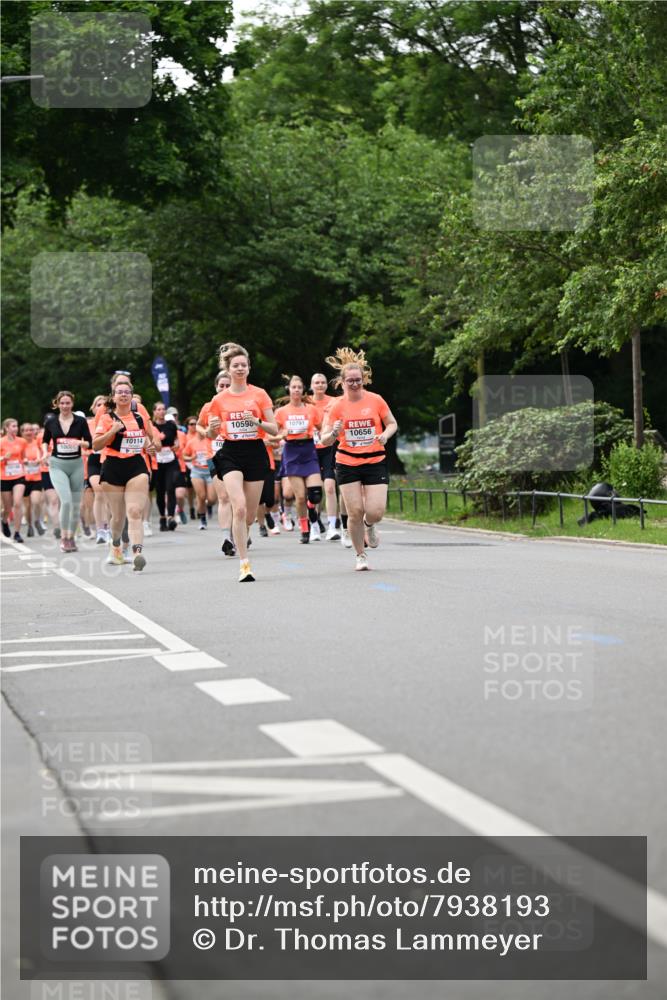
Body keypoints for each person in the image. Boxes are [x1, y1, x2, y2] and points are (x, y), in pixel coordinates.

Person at [320, 348, 398, 571]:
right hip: (347, 462)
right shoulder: (335, 406)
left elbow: (392, 423)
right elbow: (324, 439)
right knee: (354, 511)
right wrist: (334, 433)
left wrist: (384, 435)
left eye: (358, 380)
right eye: (350, 381)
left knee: (375, 511)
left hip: (374, 460)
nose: (355, 384)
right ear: (342, 383)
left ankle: (369, 525)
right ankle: (360, 555)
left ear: (364, 380)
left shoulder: (376, 400)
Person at [205, 343, 278, 581]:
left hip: (255, 452)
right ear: (228, 369)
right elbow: (211, 435)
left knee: (248, 516)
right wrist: (212, 429)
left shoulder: (259, 394)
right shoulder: (219, 399)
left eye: (243, 365)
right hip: (230, 453)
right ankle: (244, 564)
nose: (240, 369)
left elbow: (274, 428)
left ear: (249, 368)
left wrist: (256, 421)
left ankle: (243, 534)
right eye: (235, 365)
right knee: (239, 506)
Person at [93, 379, 159, 571]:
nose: (123, 395)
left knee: (135, 512)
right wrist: (112, 431)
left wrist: (151, 447)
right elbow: (96, 445)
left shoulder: (139, 417)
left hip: (136, 465)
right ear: (113, 397)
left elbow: (150, 438)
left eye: (127, 392)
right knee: (118, 516)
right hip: (113, 466)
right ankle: (115, 547)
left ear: (131, 396)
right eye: (119, 392)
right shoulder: (106, 418)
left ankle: (138, 553)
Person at [274, 376, 324, 544]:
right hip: (291, 452)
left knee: (316, 494)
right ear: (288, 389)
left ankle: (312, 508)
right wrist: (282, 434)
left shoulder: (311, 409)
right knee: (300, 497)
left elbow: (322, 428)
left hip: (308, 450)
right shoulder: (281, 412)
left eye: (299, 387)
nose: (296, 390)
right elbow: (274, 433)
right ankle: (304, 528)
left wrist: (326, 435)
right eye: (293, 387)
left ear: (303, 390)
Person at [41, 392, 92, 552]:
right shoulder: (51, 422)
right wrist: (44, 453)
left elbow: (89, 443)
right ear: (57, 404)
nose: (65, 406)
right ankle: (64, 538)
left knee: (76, 504)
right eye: (62, 403)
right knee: (67, 500)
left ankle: (71, 537)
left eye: (67, 403)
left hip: (76, 464)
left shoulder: (80, 421)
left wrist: (79, 443)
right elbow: (45, 441)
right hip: (58, 465)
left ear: (72, 404)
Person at [197, 370, 234, 556]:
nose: (225, 388)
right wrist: (205, 432)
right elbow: (198, 424)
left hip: (237, 455)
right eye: (222, 385)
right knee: (224, 497)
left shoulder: (238, 403)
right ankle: (226, 537)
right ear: (216, 387)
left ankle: (240, 532)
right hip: (215, 455)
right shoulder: (208, 406)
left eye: (228, 385)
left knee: (237, 498)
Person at [309, 372, 341, 540]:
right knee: (314, 492)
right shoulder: (306, 402)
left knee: (329, 486)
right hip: (309, 451)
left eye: (322, 382)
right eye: (316, 382)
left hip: (328, 448)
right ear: (311, 385)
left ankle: (332, 527)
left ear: (326, 385)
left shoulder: (334, 401)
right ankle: (314, 524)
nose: (320, 385)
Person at [151, 401, 180, 531]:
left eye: (163, 409)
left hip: (170, 460)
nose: (161, 412)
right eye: (159, 409)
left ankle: (171, 517)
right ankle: (162, 517)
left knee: (171, 487)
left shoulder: (170, 425)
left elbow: (176, 439)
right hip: (157, 461)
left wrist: (177, 445)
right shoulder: (150, 426)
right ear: (154, 412)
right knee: (160, 491)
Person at [86, 395, 110, 543]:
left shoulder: (111, 421)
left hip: (109, 459)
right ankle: (100, 529)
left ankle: (108, 527)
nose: (101, 407)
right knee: (98, 491)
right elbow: (82, 442)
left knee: (109, 495)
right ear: (93, 408)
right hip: (94, 460)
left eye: (104, 405)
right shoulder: (87, 424)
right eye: (98, 405)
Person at [181, 425, 215, 529]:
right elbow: (184, 456)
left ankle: (208, 505)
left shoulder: (210, 440)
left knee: (212, 499)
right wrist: (191, 457)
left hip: (210, 471)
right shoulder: (192, 442)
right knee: (201, 496)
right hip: (197, 471)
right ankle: (202, 519)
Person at [1, 418, 27, 541]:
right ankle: (5, 521)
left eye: (17, 426)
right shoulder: (1, 442)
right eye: (13, 426)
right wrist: (2, 459)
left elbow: (24, 457)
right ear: (6, 428)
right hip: (4, 476)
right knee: (7, 507)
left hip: (19, 475)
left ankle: (17, 533)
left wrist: (26, 462)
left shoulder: (22, 441)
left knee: (17, 503)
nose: (16, 428)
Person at [20, 422, 44, 536]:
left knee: (36, 501)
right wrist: (23, 461)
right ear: (22, 432)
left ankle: (37, 520)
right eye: (26, 430)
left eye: (31, 430)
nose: (29, 432)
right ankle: (30, 525)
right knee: (27, 505)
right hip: (23, 478)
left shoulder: (37, 443)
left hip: (36, 477)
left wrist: (40, 460)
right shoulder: (19, 443)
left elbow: (44, 454)